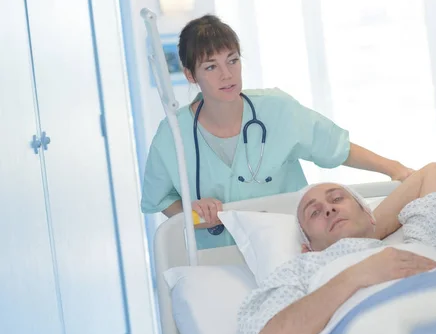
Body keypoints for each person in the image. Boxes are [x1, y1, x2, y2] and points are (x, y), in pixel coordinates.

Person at [140, 14, 414, 250]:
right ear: (190, 75)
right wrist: (194, 214)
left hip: (293, 248)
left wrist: (395, 168)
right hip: (221, 257)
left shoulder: (276, 109)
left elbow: (336, 147)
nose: (227, 74)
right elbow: (161, 198)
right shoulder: (172, 134)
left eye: (232, 60)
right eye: (211, 66)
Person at [236, 162, 436, 334]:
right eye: (314, 213)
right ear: (308, 248)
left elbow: (430, 173)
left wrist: (368, 233)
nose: (329, 208)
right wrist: (357, 274)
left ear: (370, 215)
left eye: (337, 199)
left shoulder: (414, 247)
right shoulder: (301, 270)